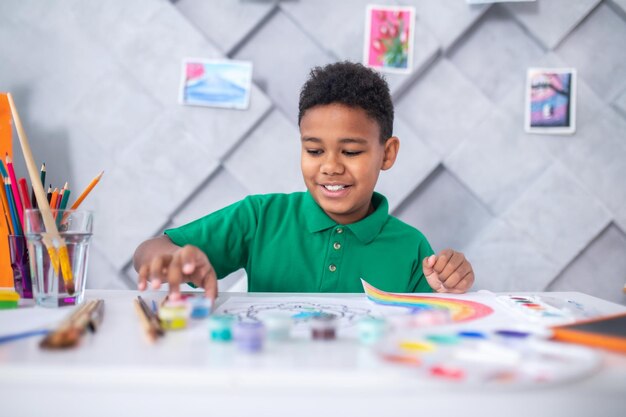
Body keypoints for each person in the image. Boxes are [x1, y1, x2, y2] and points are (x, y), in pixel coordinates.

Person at [133, 61, 475, 301]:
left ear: (387, 154)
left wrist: (449, 284)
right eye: (314, 150)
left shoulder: (411, 247)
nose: (330, 167)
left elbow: (436, 333)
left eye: (351, 152)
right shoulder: (261, 216)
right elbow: (150, 249)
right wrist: (171, 260)